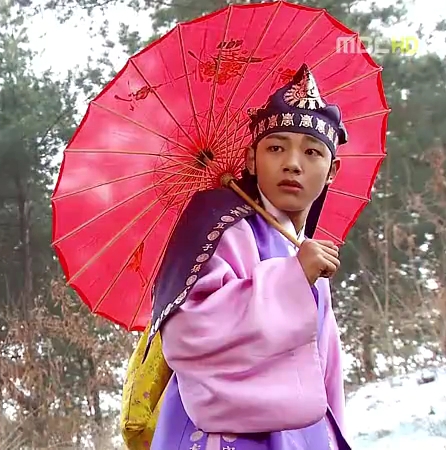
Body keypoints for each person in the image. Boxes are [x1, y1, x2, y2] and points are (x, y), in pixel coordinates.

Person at [146, 63, 352, 450]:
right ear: (251, 160)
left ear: (332, 171)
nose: (293, 163)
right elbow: (187, 331)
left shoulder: (304, 249)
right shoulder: (218, 226)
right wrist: (291, 279)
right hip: (223, 435)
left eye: (312, 151)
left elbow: (325, 370)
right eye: (276, 148)